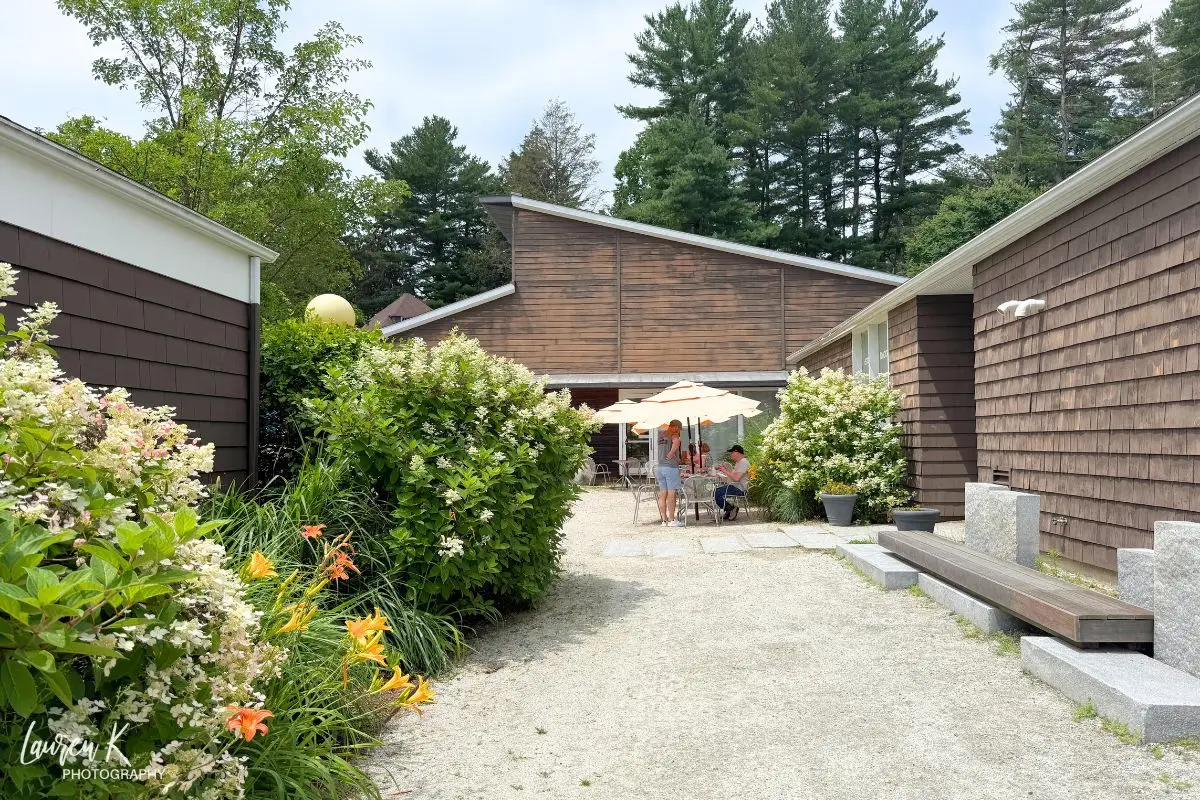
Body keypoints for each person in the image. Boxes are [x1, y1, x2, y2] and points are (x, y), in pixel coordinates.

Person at [655, 420, 683, 527]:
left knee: (663, 494)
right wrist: (671, 453)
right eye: (678, 429)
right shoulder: (674, 435)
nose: (678, 431)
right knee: (672, 493)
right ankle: (672, 520)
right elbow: (676, 442)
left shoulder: (661, 436)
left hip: (660, 467)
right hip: (670, 467)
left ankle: (664, 520)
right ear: (675, 427)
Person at [715, 445, 750, 520]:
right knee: (716, 491)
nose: (730, 454)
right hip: (735, 486)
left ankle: (730, 509)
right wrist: (722, 473)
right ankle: (729, 509)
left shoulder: (743, 463)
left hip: (739, 489)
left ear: (737, 452)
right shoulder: (739, 462)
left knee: (715, 493)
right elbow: (734, 476)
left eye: (732, 452)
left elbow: (736, 478)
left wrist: (724, 471)